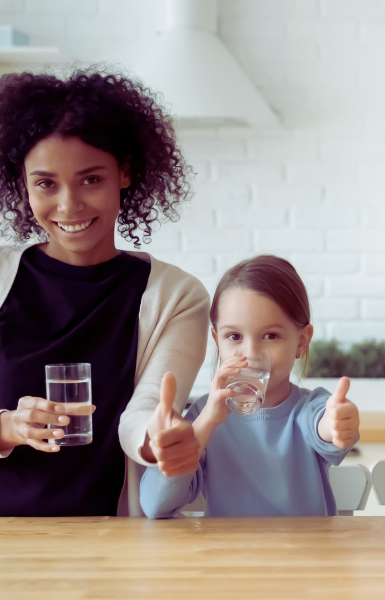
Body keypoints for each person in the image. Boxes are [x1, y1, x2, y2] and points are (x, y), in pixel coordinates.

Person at [0, 69, 209, 517]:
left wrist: (161, 444)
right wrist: (9, 427)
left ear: (125, 173)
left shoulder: (177, 296)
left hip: (109, 538)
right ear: (24, 184)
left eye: (91, 179)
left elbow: (147, 412)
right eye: (46, 183)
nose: (69, 205)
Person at [139, 255, 361, 518]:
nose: (251, 352)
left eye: (270, 336)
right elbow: (155, 505)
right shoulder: (203, 417)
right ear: (216, 340)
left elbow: (325, 429)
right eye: (234, 336)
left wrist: (337, 423)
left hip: (305, 557)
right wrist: (206, 422)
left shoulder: (310, 409)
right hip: (232, 558)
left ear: (301, 342)